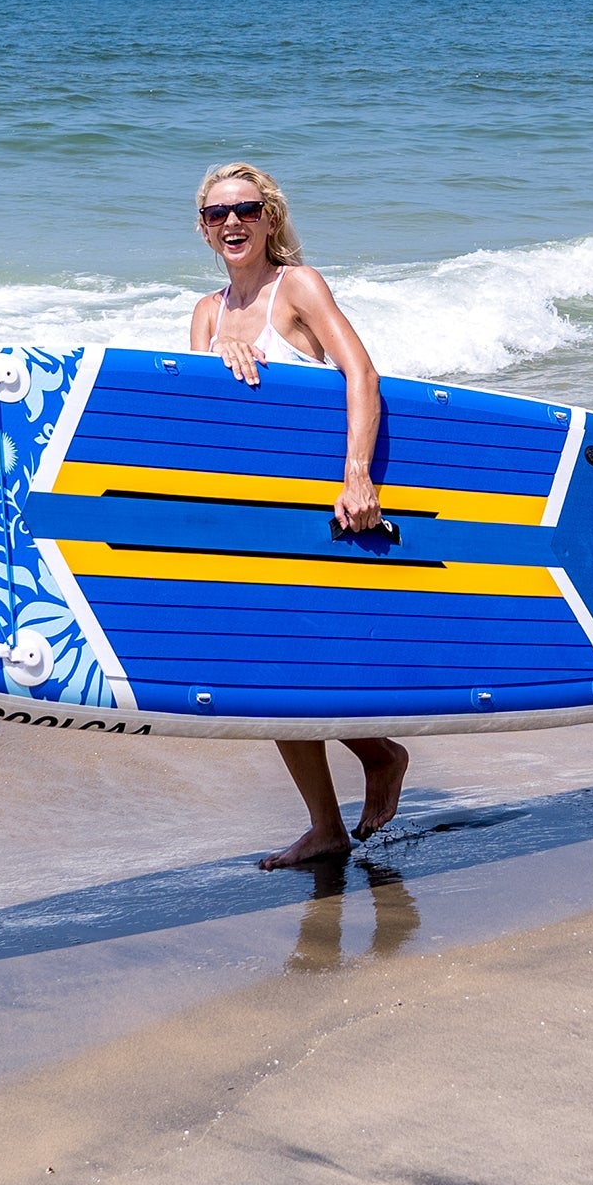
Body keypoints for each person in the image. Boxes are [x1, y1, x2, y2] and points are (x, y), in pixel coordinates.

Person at [188, 161, 410, 870]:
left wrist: (358, 478)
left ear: (270, 218)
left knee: (294, 665)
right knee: (263, 675)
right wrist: (216, 351)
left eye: (246, 210)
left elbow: (361, 374)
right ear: (202, 226)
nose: (232, 223)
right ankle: (330, 822)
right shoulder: (204, 312)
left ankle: (377, 759)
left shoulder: (300, 287)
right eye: (217, 213)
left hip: (319, 509)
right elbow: (206, 427)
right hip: (250, 515)